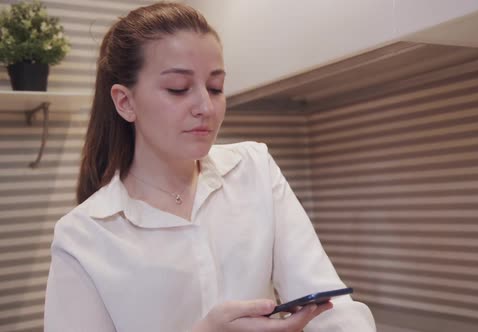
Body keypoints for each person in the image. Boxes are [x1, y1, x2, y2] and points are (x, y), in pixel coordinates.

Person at [43, 2, 376, 332]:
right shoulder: (82, 236)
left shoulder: (254, 167)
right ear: (125, 102)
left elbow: (331, 306)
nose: (206, 106)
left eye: (215, 87)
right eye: (178, 88)